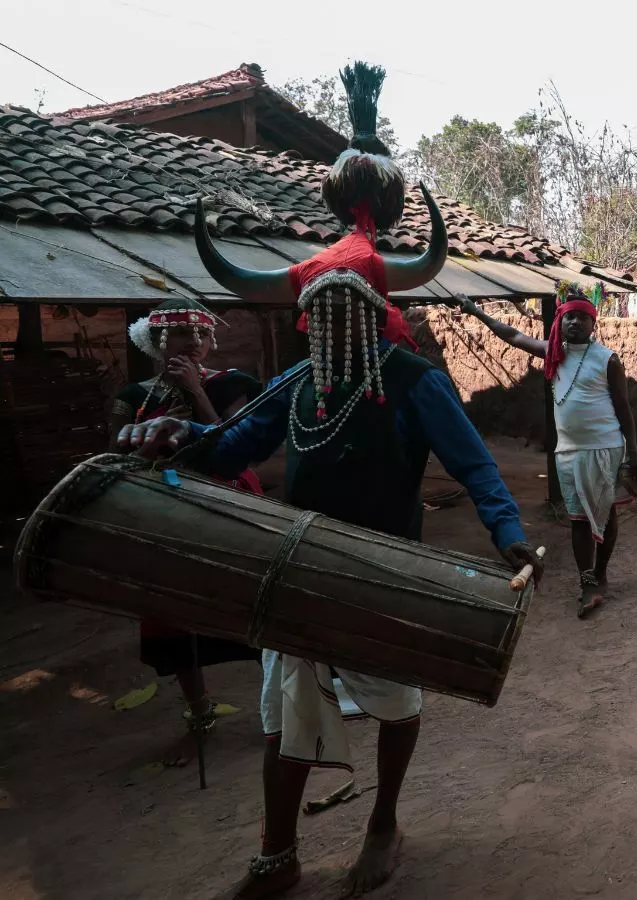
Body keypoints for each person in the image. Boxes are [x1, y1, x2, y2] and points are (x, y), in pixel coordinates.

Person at [119, 62, 543, 900]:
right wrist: (171, 442)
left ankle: (383, 821)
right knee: (285, 709)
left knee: (392, 699)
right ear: (310, 316)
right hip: (295, 565)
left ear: (375, 310)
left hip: (383, 567)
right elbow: (233, 440)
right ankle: (277, 852)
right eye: (322, 311)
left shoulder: (413, 381)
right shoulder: (295, 384)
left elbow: (473, 463)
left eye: (350, 307)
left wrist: (508, 534)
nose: (332, 322)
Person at [107, 298, 263, 758]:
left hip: (229, 505)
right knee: (173, 613)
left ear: (213, 342)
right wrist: (147, 448)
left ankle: (282, 702)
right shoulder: (132, 397)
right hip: (161, 513)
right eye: (180, 334)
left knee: (252, 599)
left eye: (202, 334)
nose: (193, 342)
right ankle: (199, 709)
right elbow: (114, 461)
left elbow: (239, 449)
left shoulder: (235, 385)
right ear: (156, 342)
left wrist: (195, 392)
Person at [453, 284, 637, 616]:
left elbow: (623, 408)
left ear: (593, 324)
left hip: (604, 449)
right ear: (560, 320)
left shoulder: (607, 359)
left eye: (581, 318)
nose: (575, 323)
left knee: (605, 513)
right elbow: (512, 335)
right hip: (568, 453)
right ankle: (587, 581)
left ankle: (600, 575)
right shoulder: (552, 353)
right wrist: (476, 311)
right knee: (578, 520)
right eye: (569, 317)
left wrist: (634, 453)